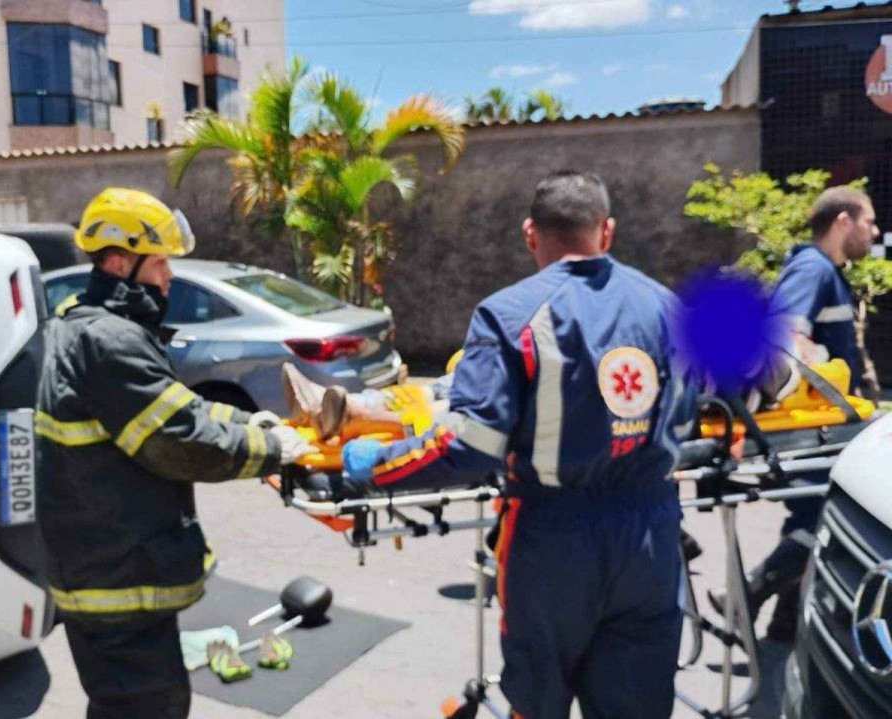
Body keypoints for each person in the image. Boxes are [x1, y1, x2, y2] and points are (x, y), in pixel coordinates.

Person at [342, 172, 698, 719]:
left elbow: (470, 446)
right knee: (638, 704)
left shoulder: (510, 314)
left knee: (538, 698)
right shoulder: (666, 307)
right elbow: (696, 407)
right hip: (651, 532)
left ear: (531, 234)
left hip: (554, 540)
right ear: (607, 231)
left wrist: (374, 467)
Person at [35, 187, 312, 719]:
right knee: (147, 708)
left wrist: (251, 422)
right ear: (120, 262)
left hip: (102, 568)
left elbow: (179, 408)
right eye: (159, 262)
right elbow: (179, 442)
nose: (168, 276)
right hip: (118, 579)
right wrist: (274, 450)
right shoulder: (110, 341)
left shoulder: (83, 323)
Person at [711, 186, 880, 641]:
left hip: (830, 426)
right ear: (843, 221)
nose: (875, 230)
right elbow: (784, 337)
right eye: (869, 220)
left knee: (811, 520)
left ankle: (787, 627)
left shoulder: (828, 273)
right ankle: (745, 596)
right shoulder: (812, 268)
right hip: (813, 428)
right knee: (819, 523)